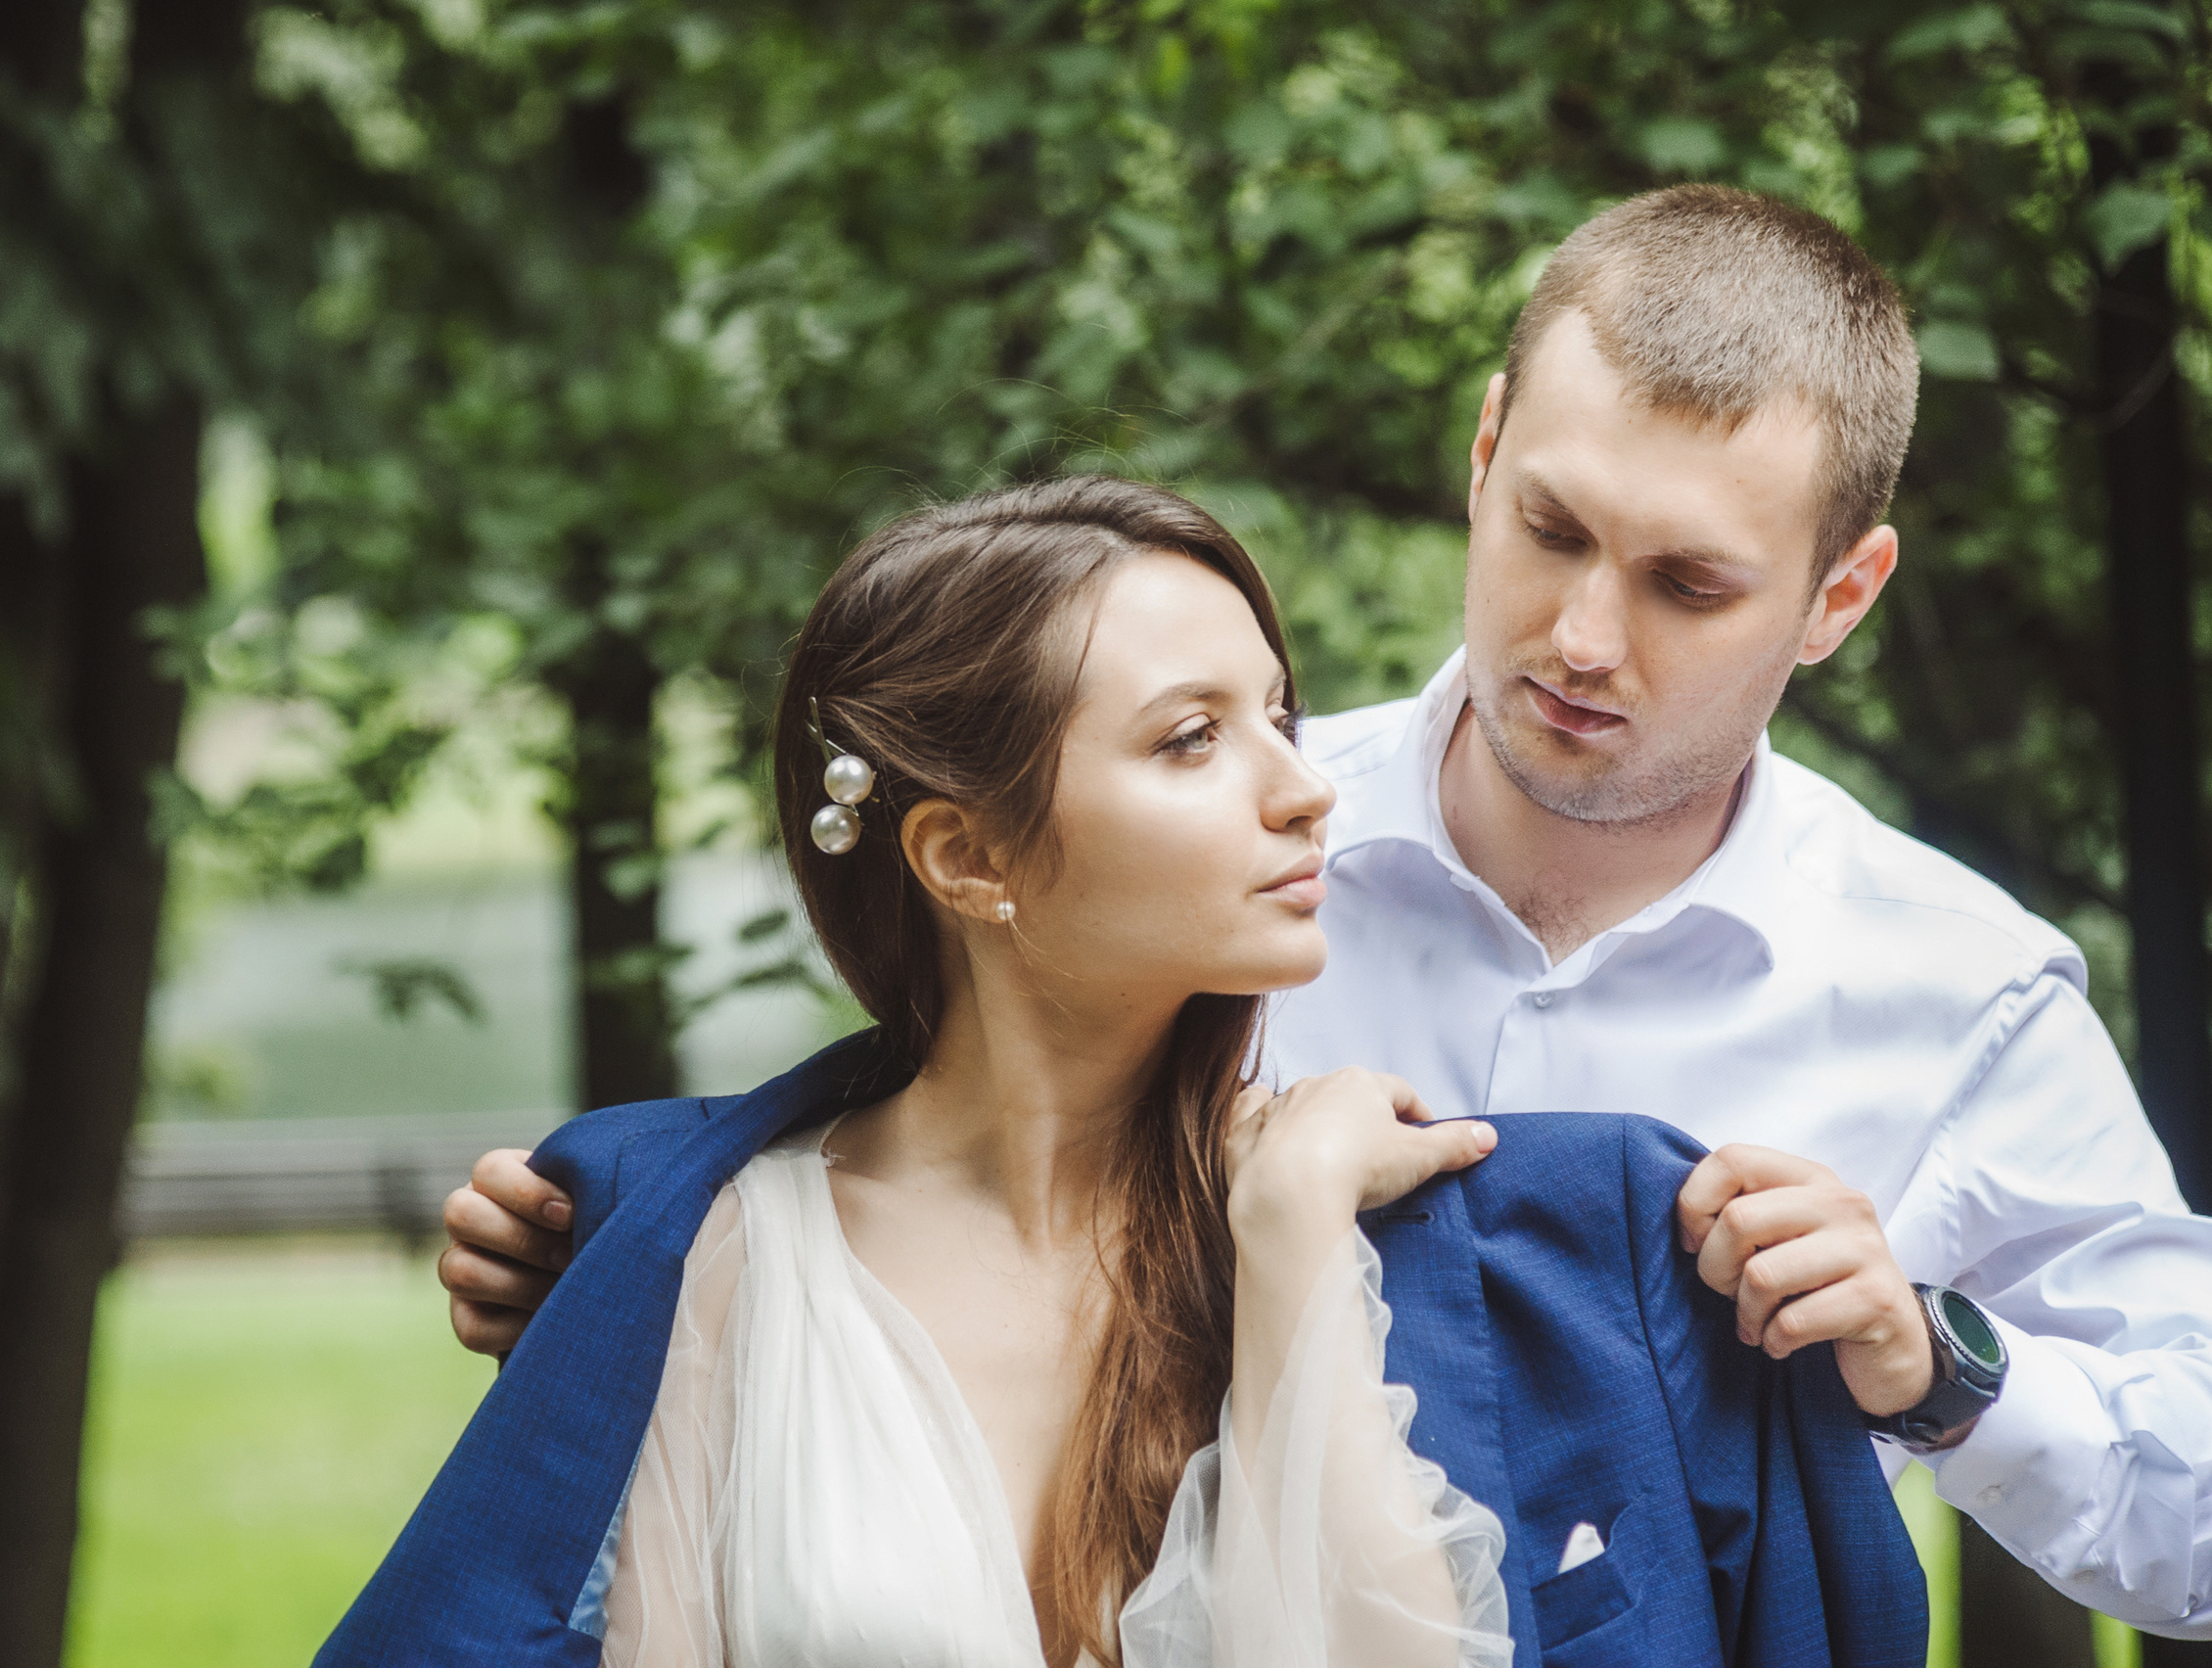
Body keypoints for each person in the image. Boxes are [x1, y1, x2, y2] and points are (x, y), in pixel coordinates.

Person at [441, 187, 2212, 1641]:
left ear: (1835, 599)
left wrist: (1938, 1367)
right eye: (1550, 532)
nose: (1583, 639)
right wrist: (631, 1255)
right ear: (1483, 445)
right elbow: (941, 1147)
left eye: (1687, 583)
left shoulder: (1952, 993)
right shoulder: (1211, 846)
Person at [329, 477, 1929, 1668]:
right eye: (1191, 738)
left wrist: (1295, 1235)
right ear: (968, 856)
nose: (1305, 789)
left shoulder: (1394, 1227)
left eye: (1280, 716)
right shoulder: (723, 1259)